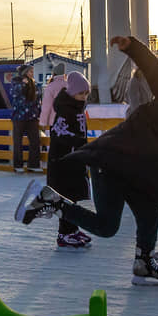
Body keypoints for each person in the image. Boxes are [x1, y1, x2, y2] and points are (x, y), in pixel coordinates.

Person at [15, 36, 158, 285]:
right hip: (110, 164)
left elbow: (153, 69)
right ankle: (51, 201)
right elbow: (154, 71)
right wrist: (134, 48)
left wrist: (132, 46)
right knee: (107, 226)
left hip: (131, 168)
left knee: (151, 210)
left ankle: (144, 262)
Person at [47, 72, 92, 250]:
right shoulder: (65, 111)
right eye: (81, 93)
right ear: (72, 92)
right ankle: (64, 233)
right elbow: (58, 135)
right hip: (63, 163)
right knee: (66, 197)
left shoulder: (78, 109)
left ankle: (72, 229)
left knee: (75, 197)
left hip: (76, 160)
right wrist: (75, 143)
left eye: (86, 94)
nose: (83, 97)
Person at [10, 64, 42, 173]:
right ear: (24, 73)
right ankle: (18, 165)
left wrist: (39, 113)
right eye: (30, 71)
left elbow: (38, 100)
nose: (32, 73)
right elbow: (14, 94)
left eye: (32, 71)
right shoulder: (16, 83)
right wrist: (23, 85)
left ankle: (33, 164)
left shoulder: (35, 84)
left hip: (32, 117)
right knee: (18, 141)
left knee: (35, 141)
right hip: (19, 117)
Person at [39, 63, 67, 129]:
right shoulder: (69, 84)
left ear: (53, 73)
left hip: (54, 120)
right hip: (69, 120)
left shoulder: (51, 86)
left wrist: (43, 122)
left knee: (55, 139)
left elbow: (46, 106)